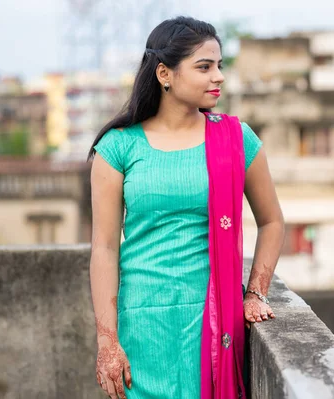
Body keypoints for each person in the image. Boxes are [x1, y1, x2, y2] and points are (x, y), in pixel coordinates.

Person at [87, 16, 285, 399]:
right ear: (165, 73)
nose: (219, 77)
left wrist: (255, 293)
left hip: (213, 320)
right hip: (141, 320)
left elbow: (273, 221)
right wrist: (107, 342)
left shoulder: (236, 138)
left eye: (220, 66)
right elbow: (105, 248)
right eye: (204, 67)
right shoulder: (118, 148)